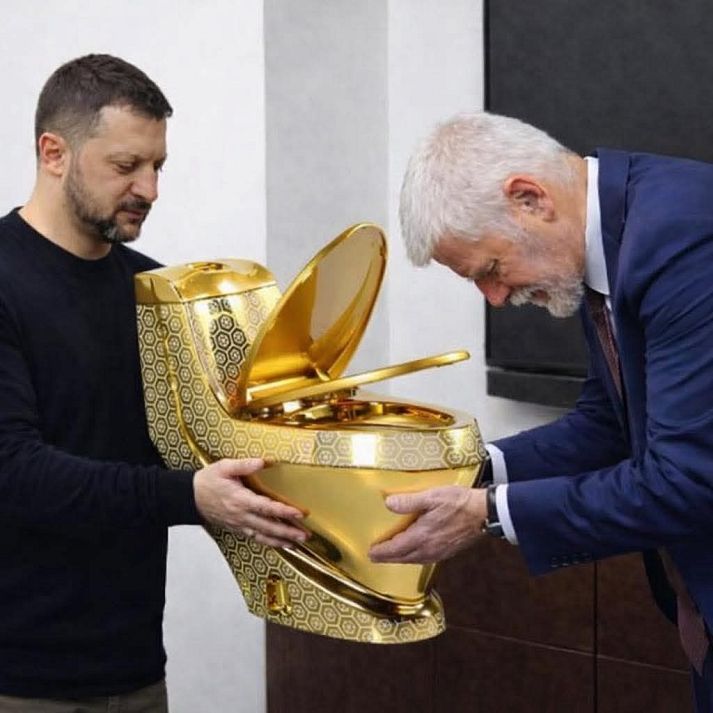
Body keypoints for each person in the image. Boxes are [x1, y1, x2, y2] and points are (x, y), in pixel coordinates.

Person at [368, 111, 713, 711]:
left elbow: (685, 481)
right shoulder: (606, 241)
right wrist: (465, 469)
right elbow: (607, 425)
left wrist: (487, 513)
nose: (497, 298)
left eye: (491, 270)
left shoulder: (684, 241)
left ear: (530, 199)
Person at [0, 54, 307, 712]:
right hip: (20, 680)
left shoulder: (156, 292)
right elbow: (14, 470)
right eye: (126, 165)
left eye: (158, 165)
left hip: (136, 669)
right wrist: (191, 495)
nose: (150, 188)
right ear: (53, 153)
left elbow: (196, 440)